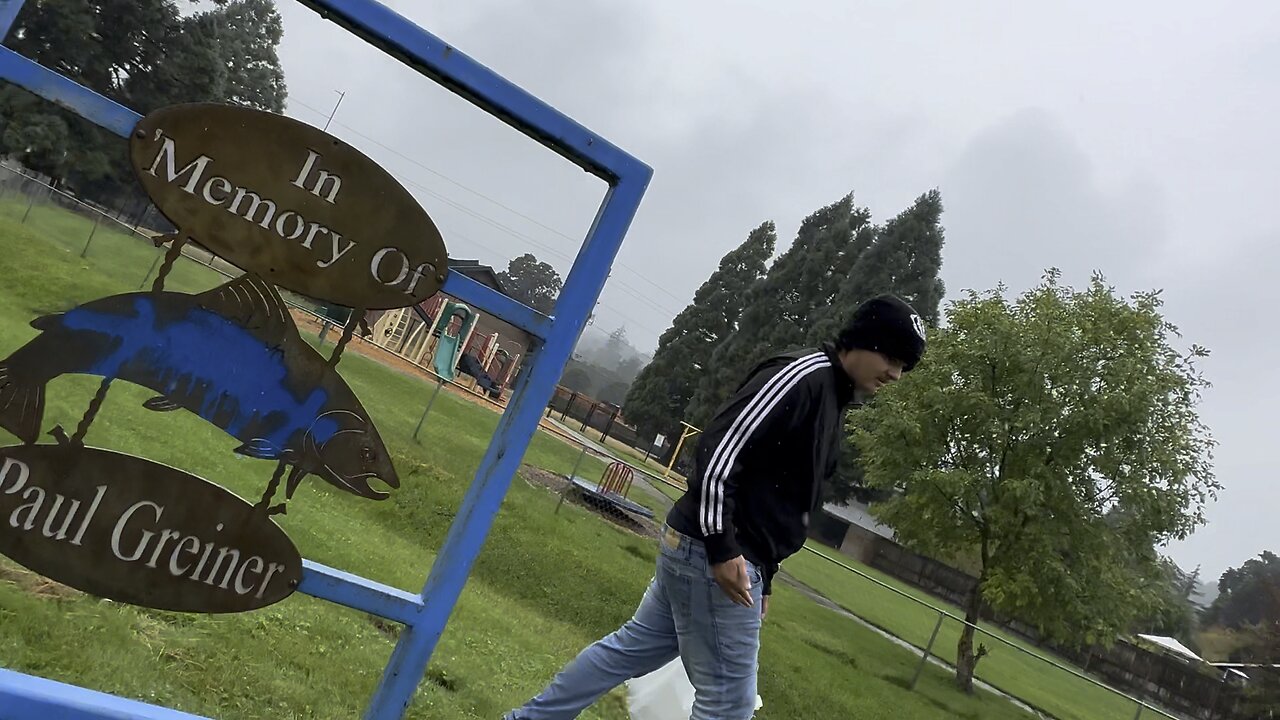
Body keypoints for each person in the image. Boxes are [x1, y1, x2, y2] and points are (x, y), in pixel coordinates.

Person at [504, 295, 928, 720]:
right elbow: (718, 453)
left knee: (628, 650)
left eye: (904, 366)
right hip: (715, 554)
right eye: (890, 357)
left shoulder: (832, 396)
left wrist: (767, 577)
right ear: (861, 340)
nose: (895, 374)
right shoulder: (801, 376)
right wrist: (723, 549)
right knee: (728, 705)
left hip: (719, 552)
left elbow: (783, 499)